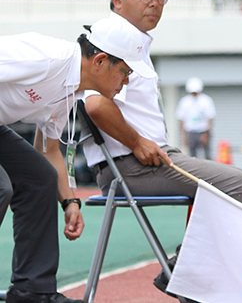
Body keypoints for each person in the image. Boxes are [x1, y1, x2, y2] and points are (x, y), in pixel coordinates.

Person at [80, 0, 242, 299]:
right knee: (237, 184)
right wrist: (138, 142)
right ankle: (187, 273)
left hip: (147, 159)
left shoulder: (134, 41)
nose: (156, 3)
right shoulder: (111, 38)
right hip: (131, 167)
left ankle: (188, 272)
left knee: (224, 184)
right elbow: (95, 103)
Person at [0, 16, 151, 303]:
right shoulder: (45, 58)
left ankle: (33, 292)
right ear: (101, 61)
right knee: (1, 186)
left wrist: (69, 201)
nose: (127, 81)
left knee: (40, 178)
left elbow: (48, 149)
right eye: (126, 71)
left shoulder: (69, 91)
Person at [175, 77, 215, 160]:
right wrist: (183, 137)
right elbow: (181, 120)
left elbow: (210, 118)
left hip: (203, 131)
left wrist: (206, 134)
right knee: (192, 156)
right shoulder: (185, 102)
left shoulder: (206, 101)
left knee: (207, 156)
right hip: (191, 132)